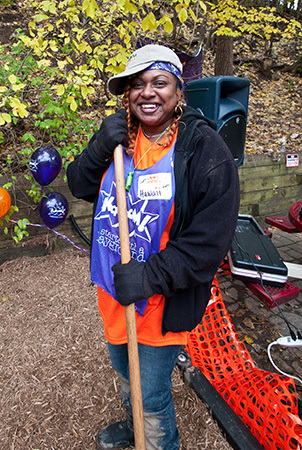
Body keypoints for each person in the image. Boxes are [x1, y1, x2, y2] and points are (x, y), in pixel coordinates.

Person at [67, 44, 240, 450]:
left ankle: (159, 441)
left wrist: (148, 276)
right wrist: (96, 148)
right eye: (137, 84)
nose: (148, 92)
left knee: (150, 388)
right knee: (125, 372)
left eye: (159, 83)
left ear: (180, 92)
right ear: (127, 93)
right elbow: (78, 185)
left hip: (160, 301)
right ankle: (133, 425)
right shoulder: (118, 138)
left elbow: (211, 241)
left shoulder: (203, 150)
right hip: (113, 290)